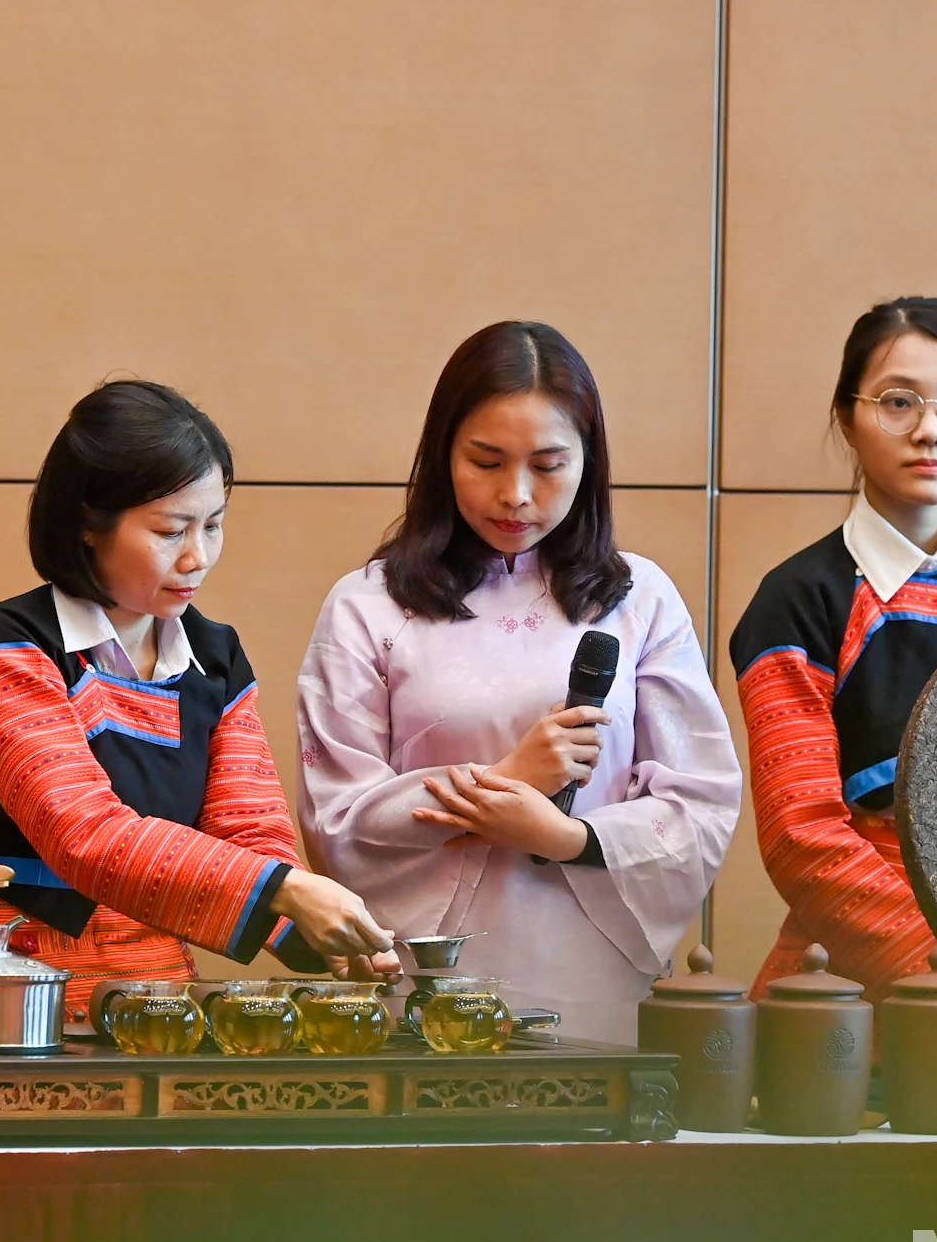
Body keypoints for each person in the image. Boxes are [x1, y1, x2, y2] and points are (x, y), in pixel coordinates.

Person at [295, 321, 741, 1045]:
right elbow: (334, 819)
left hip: (595, 973)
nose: (517, 495)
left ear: (588, 463)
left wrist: (567, 837)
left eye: (548, 463)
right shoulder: (367, 605)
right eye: (487, 461)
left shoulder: (642, 599)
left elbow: (703, 802)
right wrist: (502, 782)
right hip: (426, 972)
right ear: (443, 455)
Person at [0, 380, 398, 1024]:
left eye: (213, 525)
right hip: (1, 994)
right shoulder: (8, 647)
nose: (197, 557)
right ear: (87, 524)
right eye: (170, 530)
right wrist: (291, 893)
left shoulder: (215, 656)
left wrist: (329, 944)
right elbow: (85, 835)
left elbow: (249, 830)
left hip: (156, 1002)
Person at [729, 297, 937, 1000]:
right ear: (847, 419)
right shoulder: (801, 595)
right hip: (857, 985)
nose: (931, 430)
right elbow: (802, 835)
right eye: (897, 402)